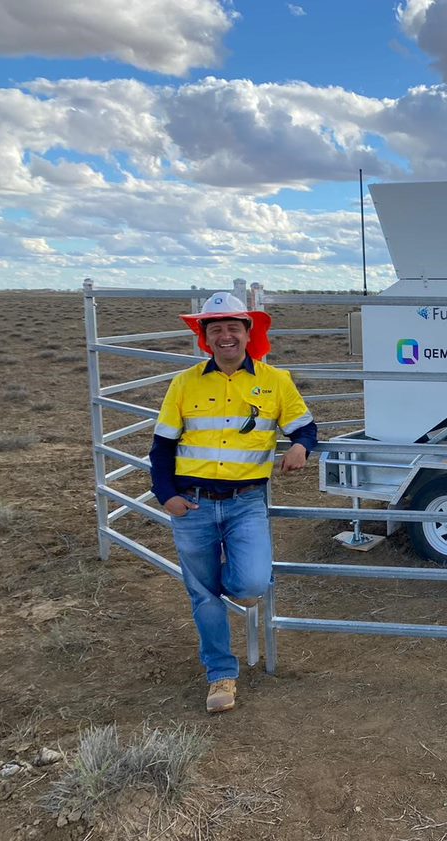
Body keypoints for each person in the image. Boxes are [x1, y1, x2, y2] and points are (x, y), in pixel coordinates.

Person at [149, 292, 317, 714]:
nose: (225, 335)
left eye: (233, 327)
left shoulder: (276, 381)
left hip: (246, 503)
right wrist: (166, 495)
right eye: (216, 328)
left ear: (248, 333)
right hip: (192, 505)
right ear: (205, 338)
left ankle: (217, 584)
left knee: (251, 584)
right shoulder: (184, 383)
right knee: (203, 597)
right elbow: (161, 447)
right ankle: (221, 675)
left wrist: (300, 448)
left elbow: (306, 428)